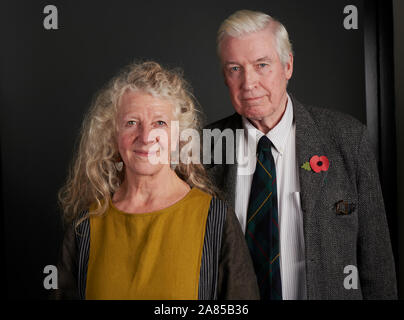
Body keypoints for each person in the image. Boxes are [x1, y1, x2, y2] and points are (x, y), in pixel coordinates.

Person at [205, 9, 397, 299]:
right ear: (224, 76)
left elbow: (376, 260)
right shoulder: (203, 149)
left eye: (261, 65)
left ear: (288, 66)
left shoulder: (347, 139)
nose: (248, 83)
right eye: (235, 68)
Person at [53, 61, 259, 300]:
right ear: (113, 134)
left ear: (179, 135)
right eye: (132, 123)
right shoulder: (85, 228)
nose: (146, 137)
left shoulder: (215, 220)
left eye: (159, 123)